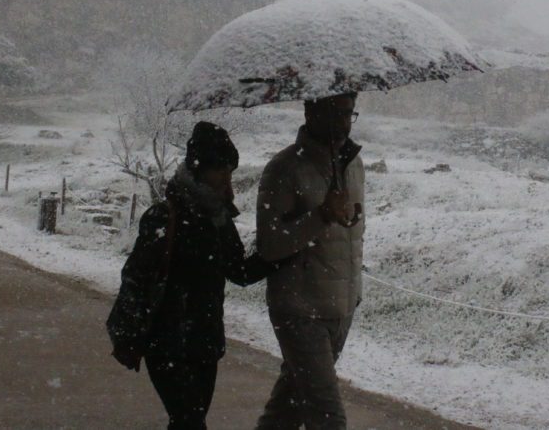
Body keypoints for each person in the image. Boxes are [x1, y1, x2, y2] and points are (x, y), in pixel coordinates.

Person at [111, 121, 274, 430]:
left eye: (231, 173)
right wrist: (131, 335)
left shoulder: (219, 218)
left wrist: (284, 249)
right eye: (222, 172)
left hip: (205, 344)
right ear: (199, 169)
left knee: (187, 421)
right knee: (190, 422)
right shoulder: (164, 216)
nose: (228, 183)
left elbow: (239, 271)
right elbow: (135, 277)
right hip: (166, 345)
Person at [255, 93, 365, 430]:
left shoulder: (354, 164)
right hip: (300, 311)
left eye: (349, 113)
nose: (344, 123)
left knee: (288, 409)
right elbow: (270, 246)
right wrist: (321, 216)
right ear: (310, 111)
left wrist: (353, 294)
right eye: (336, 113)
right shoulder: (284, 169)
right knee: (327, 417)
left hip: (340, 307)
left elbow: (351, 235)